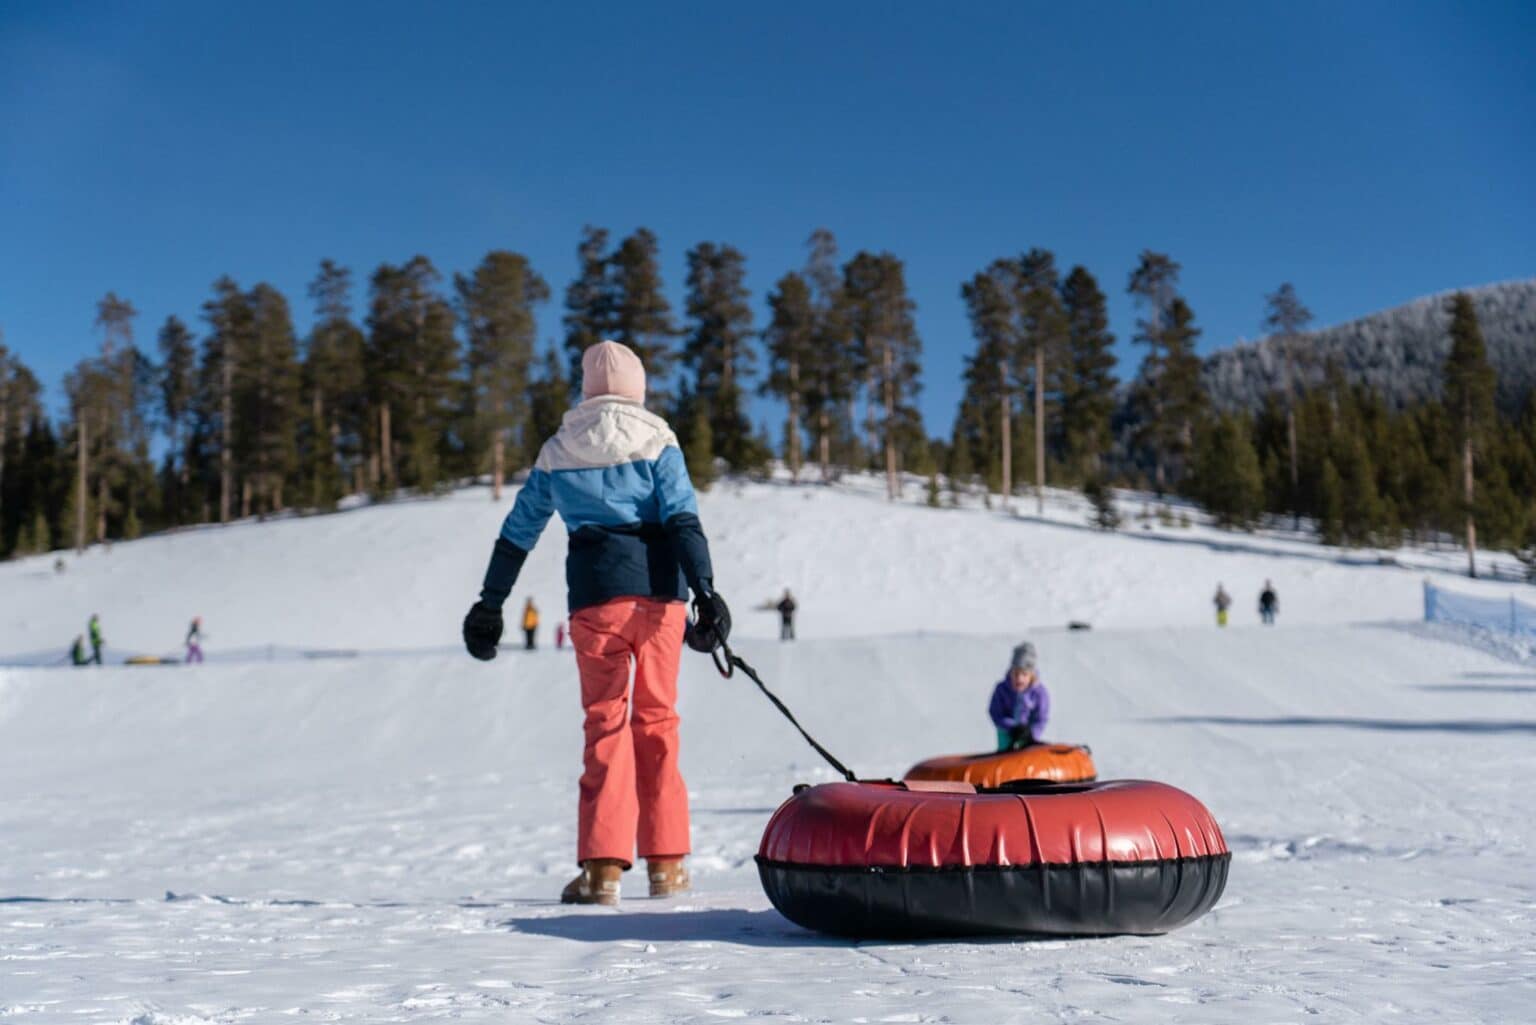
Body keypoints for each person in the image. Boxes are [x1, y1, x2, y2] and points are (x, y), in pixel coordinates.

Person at [461, 340, 726, 907]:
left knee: (605, 725)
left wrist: (491, 602)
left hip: (595, 601)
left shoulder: (559, 449)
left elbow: (518, 532)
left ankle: (602, 872)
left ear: (586, 388)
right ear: (638, 388)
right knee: (657, 722)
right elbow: (682, 517)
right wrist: (705, 589)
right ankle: (668, 866)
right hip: (659, 601)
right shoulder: (658, 439)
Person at [988, 642, 1051, 751]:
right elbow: (995, 712)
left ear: (1031, 675)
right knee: (1006, 752)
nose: (1019, 678)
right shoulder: (1002, 689)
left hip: (1028, 737)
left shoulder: (1039, 693)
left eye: (1024, 674)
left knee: (1028, 751)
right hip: (1007, 734)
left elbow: (1041, 718)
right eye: (1016, 673)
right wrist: (1012, 727)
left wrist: (1031, 733)